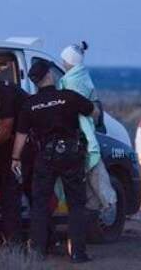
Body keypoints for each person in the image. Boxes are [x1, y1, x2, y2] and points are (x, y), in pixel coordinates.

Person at [11, 60, 96, 263]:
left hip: (46, 157)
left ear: (35, 81)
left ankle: (38, 252)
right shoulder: (68, 97)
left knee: (40, 204)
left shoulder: (30, 105)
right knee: (76, 204)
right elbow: (93, 111)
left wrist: (15, 158)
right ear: (49, 75)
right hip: (71, 155)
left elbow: (21, 136)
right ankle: (77, 253)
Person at [56, 42, 116, 213]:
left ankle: (106, 201)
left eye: (64, 60)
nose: (62, 63)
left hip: (79, 131)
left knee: (92, 170)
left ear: (69, 62)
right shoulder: (83, 77)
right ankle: (98, 204)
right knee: (90, 169)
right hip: (85, 129)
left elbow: (74, 107)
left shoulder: (71, 81)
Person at [0, 78, 29, 244]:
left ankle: (14, 241)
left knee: (11, 193)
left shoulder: (3, 92)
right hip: (11, 147)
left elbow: (5, 131)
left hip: (22, 147)